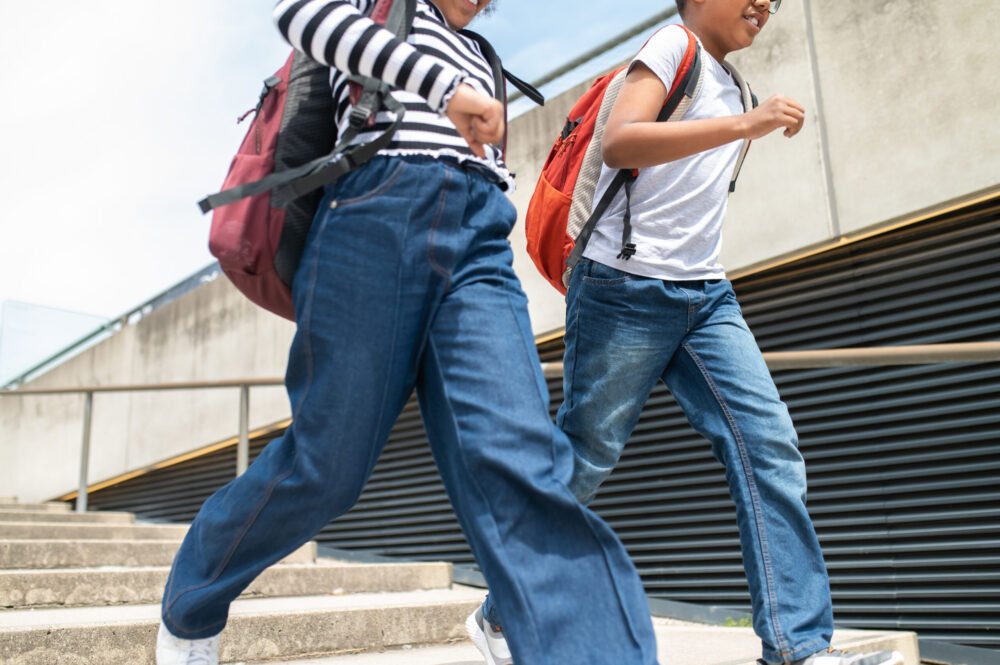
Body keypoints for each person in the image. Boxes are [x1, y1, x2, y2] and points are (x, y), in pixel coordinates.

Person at [154, 2, 661, 665]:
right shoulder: (383, 8)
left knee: (521, 460)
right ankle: (191, 605)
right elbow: (297, 14)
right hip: (375, 209)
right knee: (327, 464)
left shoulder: (482, 54)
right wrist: (444, 90)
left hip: (479, 233)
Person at [470, 2, 906, 665]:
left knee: (769, 448)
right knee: (587, 453)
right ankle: (501, 609)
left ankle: (797, 646)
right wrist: (747, 124)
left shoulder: (736, 84)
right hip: (624, 285)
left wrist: (744, 114)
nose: (765, 5)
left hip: (705, 295)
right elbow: (620, 138)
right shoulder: (672, 46)